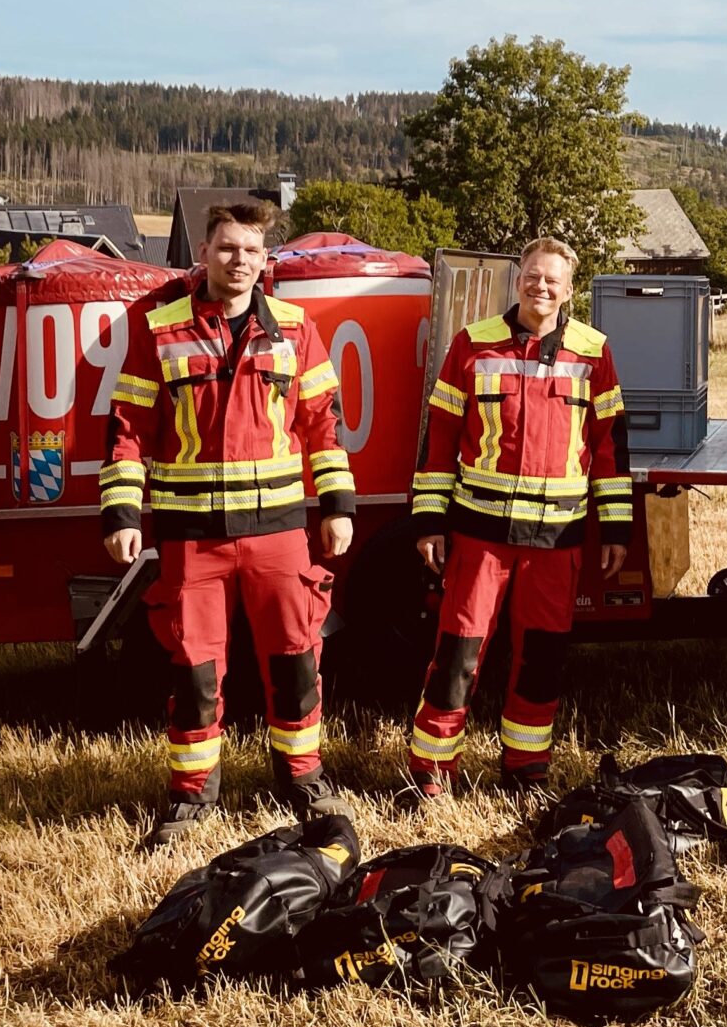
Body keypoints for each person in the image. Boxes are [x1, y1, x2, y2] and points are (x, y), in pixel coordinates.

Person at [100, 201, 356, 849]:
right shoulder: (160, 330)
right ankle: (192, 795)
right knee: (194, 667)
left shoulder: (296, 329)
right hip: (192, 537)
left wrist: (337, 506)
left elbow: (323, 425)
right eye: (226, 248)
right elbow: (129, 428)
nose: (238, 260)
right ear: (204, 254)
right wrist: (122, 512)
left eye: (250, 250)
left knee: (296, 658)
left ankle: (302, 778)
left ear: (265, 260)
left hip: (277, 532)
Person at [405, 237, 631, 797]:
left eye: (552, 280)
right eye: (532, 276)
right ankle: (431, 769)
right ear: (518, 279)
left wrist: (616, 527)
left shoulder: (594, 351)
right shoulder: (472, 343)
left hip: (557, 538)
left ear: (569, 290)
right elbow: (440, 440)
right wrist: (429, 521)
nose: (540, 287)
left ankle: (526, 767)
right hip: (480, 535)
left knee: (541, 657)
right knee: (458, 653)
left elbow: (610, 447)